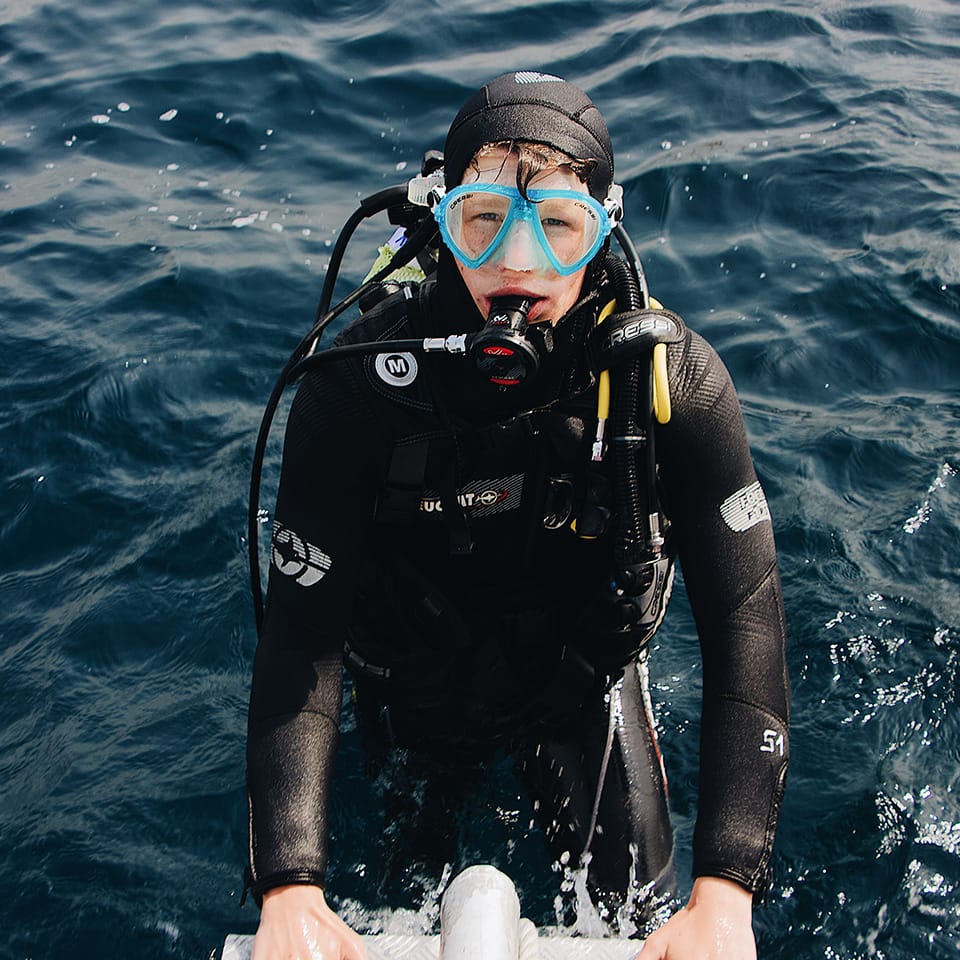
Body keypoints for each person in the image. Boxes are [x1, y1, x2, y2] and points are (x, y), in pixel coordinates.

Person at [245, 72, 790, 960]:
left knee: (654, 933)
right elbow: (301, 635)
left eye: (559, 224)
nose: (518, 260)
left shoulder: (672, 384)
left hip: (579, 679)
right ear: (440, 222)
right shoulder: (356, 391)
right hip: (410, 694)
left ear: (602, 230)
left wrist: (727, 893)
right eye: (485, 219)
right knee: (357, 921)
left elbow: (747, 613)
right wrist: (289, 886)